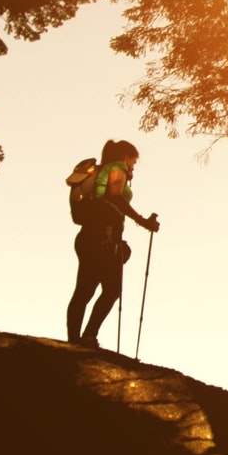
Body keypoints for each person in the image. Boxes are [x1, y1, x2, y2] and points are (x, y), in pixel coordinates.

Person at [65, 139, 159, 347]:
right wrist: (143, 221)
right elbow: (115, 197)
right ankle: (86, 337)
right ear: (126, 157)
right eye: (133, 162)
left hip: (90, 236)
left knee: (85, 290)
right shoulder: (117, 167)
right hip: (102, 238)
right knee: (109, 289)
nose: (133, 167)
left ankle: (75, 339)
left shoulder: (102, 170)